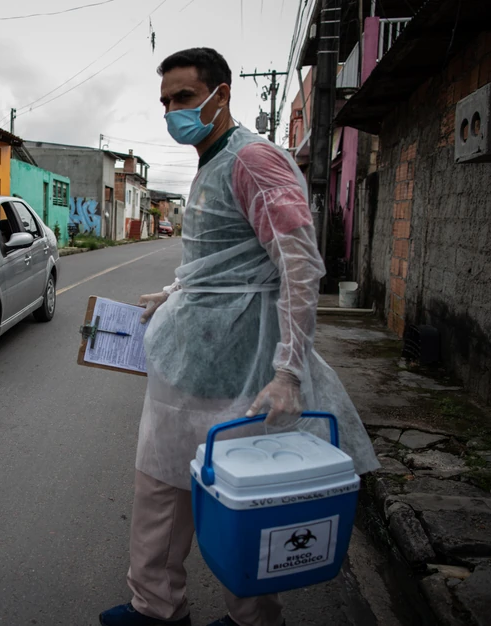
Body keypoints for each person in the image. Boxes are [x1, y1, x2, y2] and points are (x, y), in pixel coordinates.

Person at [99, 48, 379, 626]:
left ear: (220, 94)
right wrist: (174, 293)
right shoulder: (212, 162)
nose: (172, 111)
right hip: (189, 366)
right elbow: (222, 260)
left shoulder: (254, 160)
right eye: (165, 102)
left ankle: (252, 618)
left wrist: (287, 373)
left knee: (248, 495)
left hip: (245, 367)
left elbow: (299, 266)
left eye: (183, 97)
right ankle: (156, 608)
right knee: (161, 488)